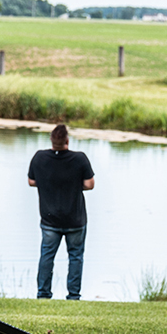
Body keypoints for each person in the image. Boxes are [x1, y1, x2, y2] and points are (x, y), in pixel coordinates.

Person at [28, 124, 95, 300]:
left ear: (51, 139)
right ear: (67, 140)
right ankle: (73, 295)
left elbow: (31, 181)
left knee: (46, 257)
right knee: (75, 257)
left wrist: (49, 182)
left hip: (50, 220)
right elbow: (89, 184)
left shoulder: (39, 157)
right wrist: (72, 185)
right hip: (75, 220)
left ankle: (43, 294)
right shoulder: (79, 159)